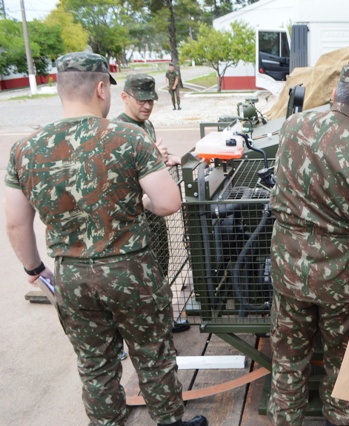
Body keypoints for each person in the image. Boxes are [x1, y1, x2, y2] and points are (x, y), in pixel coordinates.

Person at [4, 52, 207, 426]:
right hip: (131, 271)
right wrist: (138, 198)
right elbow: (166, 203)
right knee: (152, 354)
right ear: (102, 88)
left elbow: (16, 224)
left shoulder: (24, 149)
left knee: (95, 363)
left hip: (72, 276)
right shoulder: (129, 137)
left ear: (60, 90)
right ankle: (170, 422)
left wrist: (34, 267)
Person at [268, 64, 349, 426]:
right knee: (345, 360)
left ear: (335, 95)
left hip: (288, 265)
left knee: (288, 356)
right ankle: (341, 419)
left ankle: (284, 419)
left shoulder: (293, 126)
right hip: (341, 274)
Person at [116, 73, 188, 335]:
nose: (146, 106)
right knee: (139, 277)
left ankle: (163, 320)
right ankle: (142, 329)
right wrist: (154, 157)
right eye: (141, 101)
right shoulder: (119, 131)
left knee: (161, 263)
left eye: (151, 101)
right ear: (124, 97)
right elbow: (118, 179)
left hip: (153, 210)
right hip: (134, 215)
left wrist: (170, 159)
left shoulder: (147, 126)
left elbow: (151, 166)